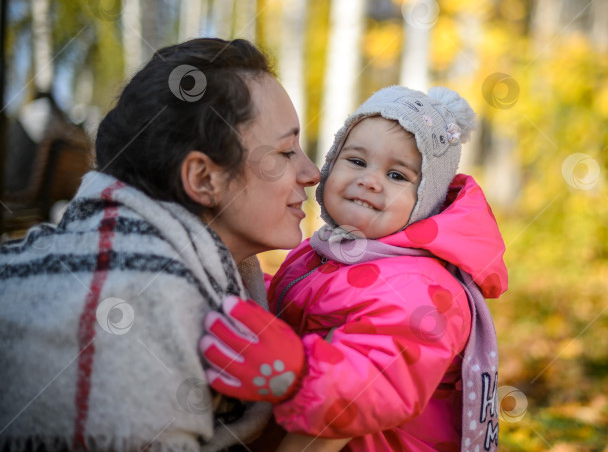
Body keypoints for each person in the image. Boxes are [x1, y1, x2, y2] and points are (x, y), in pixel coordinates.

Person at [0, 38, 320, 451]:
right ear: (204, 179)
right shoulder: (134, 312)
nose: (311, 173)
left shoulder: (168, 273)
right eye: (285, 151)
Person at [201, 85, 509, 451]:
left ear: (426, 199)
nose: (370, 180)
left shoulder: (421, 288)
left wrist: (297, 371)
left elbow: (373, 385)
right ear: (331, 164)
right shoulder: (329, 251)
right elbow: (296, 305)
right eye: (357, 161)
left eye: (398, 176)